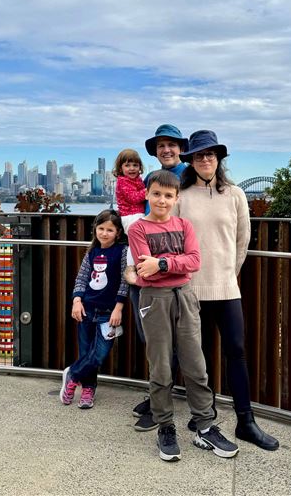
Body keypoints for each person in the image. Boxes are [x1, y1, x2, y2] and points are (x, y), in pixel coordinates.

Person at [173, 129, 279, 451]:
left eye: (211, 154)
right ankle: (205, 414)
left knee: (237, 352)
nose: (205, 159)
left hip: (226, 288)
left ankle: (245, 422)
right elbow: (175, 242)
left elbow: (242, 241)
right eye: (199, 155)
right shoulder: (182, 196)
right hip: (191, 290)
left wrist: (226, 275)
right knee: (197, 357)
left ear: (218, 159)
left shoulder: (235, 195)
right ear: (191, 160)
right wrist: (189, 280)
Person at [128, 170, 239, 462]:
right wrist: (172, 266)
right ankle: (165, 427)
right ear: (147, 195)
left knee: (195, 364)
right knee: (161, 367)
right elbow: (143, 270)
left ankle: (205, 426)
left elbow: (194, 261)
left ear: (177, 198)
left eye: (168, 195)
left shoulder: (185, 225)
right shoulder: (138, 229)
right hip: (155, 301)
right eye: (156, 194)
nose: (162, 200)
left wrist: (161, 262)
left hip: (186, 296)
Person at [131, 123, 189, 431]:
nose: (166, 149)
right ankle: (157, 395)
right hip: (143, 272)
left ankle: (160, 406)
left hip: (172, 275)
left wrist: (162, 264)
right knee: (152, 340)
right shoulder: (152, 181)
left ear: (181, 147)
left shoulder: (188, 176)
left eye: (172, 144)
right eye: (161, 145)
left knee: (169, 344)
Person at [60, 209, 128, 410]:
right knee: (86, 350)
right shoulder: (92, 252)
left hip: (108, 312)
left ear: (117, 232)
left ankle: (72, 374)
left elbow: (125, 281)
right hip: (87, 309)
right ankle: (87, 389)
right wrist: (77, 301)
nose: (104, 233)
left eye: (110, 230)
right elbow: (81, 278)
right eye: (101, 228)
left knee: (98, 354)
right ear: (95, 229)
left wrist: (119, 308)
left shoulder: (122, 251)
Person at [113, 148, 146, 277]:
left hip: (137, 214)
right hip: (130, 216)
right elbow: (133, 197)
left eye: (135, 165)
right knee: (134, 244)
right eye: (127, 165)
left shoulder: (137, 179)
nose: (132, 168)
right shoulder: (123, 181)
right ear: (120, 168)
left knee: (139, 242)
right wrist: (148, 191)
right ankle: (131, 268)